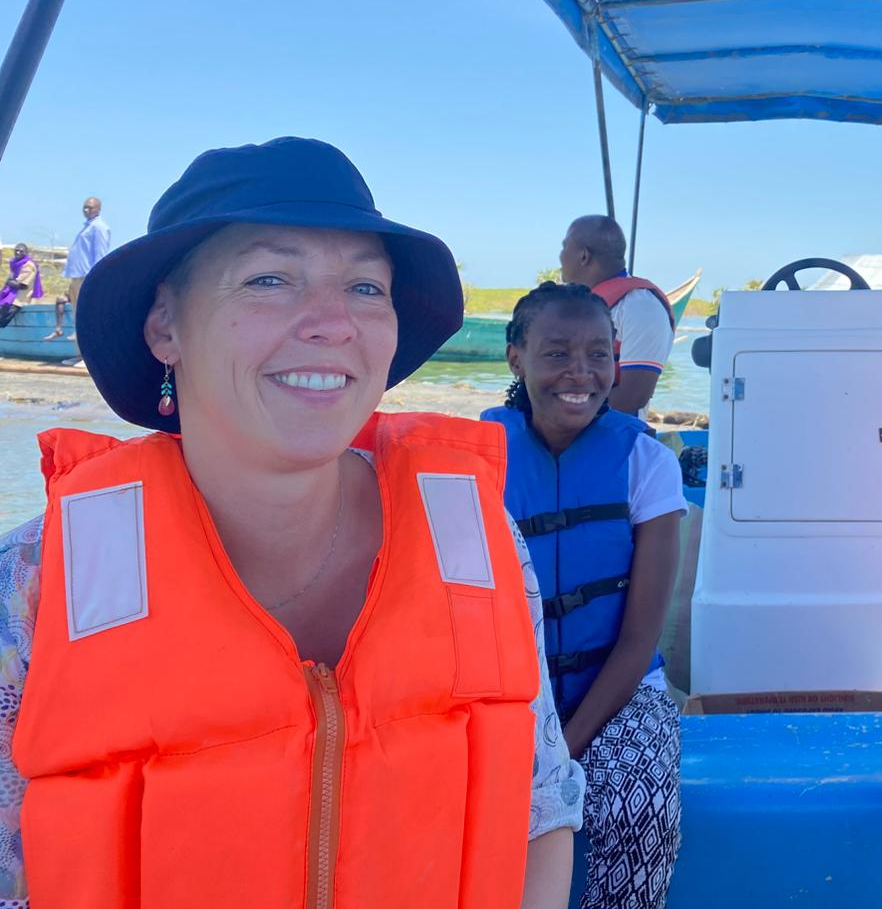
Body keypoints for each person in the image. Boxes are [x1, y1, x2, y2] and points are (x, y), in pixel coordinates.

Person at [0, 138, 581, 908]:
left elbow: (541, 809)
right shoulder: (34, 583)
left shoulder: (477, 542)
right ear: (164, 327)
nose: (334, 323)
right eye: (269, 279)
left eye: (367, 289)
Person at [484, 282, 685, 909]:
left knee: (639, 810)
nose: (582, 373)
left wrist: (562, 752)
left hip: (623, 688)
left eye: (599, 354)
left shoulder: (648, 464)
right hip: (510, 688)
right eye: (557, 353)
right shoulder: (475, 463)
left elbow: (637, 639)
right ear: (516, 356)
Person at [559, 215, 675, 417]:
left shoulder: (640, 307)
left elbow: (633, 396)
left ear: (584, 256)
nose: (560, 256)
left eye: (564, 247)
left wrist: (561, 411)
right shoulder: (577, 303)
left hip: (610, 437)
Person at [45, 195, 110, 340]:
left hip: (86, 276)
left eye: (90, 207)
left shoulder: (99, 227)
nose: (87, 210)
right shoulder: (87, 227)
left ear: (98, 209)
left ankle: (85, 358)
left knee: (85, 314)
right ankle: (79, 354)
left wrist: (96, 277)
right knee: (76, 316)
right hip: (77, 275)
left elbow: (100, 253)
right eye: (85, 207)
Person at [0, 244, 44, 328]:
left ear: (26, 253)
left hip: (19, 298)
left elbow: (21, 285)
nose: (18, 252)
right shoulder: (15, 262)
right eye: (16, 250)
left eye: (21, 251)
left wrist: (9, 282)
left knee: (4, 316)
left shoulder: (28, 265)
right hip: (11, 294)